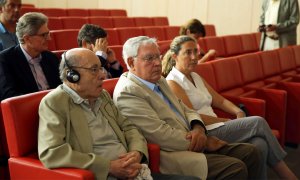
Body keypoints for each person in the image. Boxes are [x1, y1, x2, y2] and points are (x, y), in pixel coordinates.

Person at [113, 36, 263, 179]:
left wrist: (198, 127)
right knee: (235, 168)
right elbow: (160, 135)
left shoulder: (159, 80)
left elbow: (186, 109)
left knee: (251, 152)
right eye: (149, 58)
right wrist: (204, 141)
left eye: (158, 56)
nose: (158, 63)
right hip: (173, 153)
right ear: (131, 62)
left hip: (193, 137)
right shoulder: (128, 92)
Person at [38, 47, 200, 180]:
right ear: (71, 75)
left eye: (100, 68)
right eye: (94, 70)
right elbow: (52, 152)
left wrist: (137, 152)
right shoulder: (54, 103)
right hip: (103, 175)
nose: (102, 75)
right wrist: (108, 167)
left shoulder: (101, 95)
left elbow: (129, 128)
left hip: (134, 170)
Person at [162, 35, 298, 180]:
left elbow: (219, 101)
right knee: (258, 122)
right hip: (206, 131)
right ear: (175, 56)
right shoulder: (172, 82)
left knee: (260, 144)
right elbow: (193, 116)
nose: (194, 57)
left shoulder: (195, 76)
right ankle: (288, 176)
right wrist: (227, 121)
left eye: (196, 51)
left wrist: (237, 111)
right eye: (188, 53)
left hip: (219, 125)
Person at [0, 12, 61, 101]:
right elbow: (9, 96)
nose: (49, 38)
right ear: (27, 39)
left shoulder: (51, 58)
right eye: (43, 35)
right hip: (27, 111)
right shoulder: (5, 60)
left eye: (48, 34)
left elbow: (62, 88)